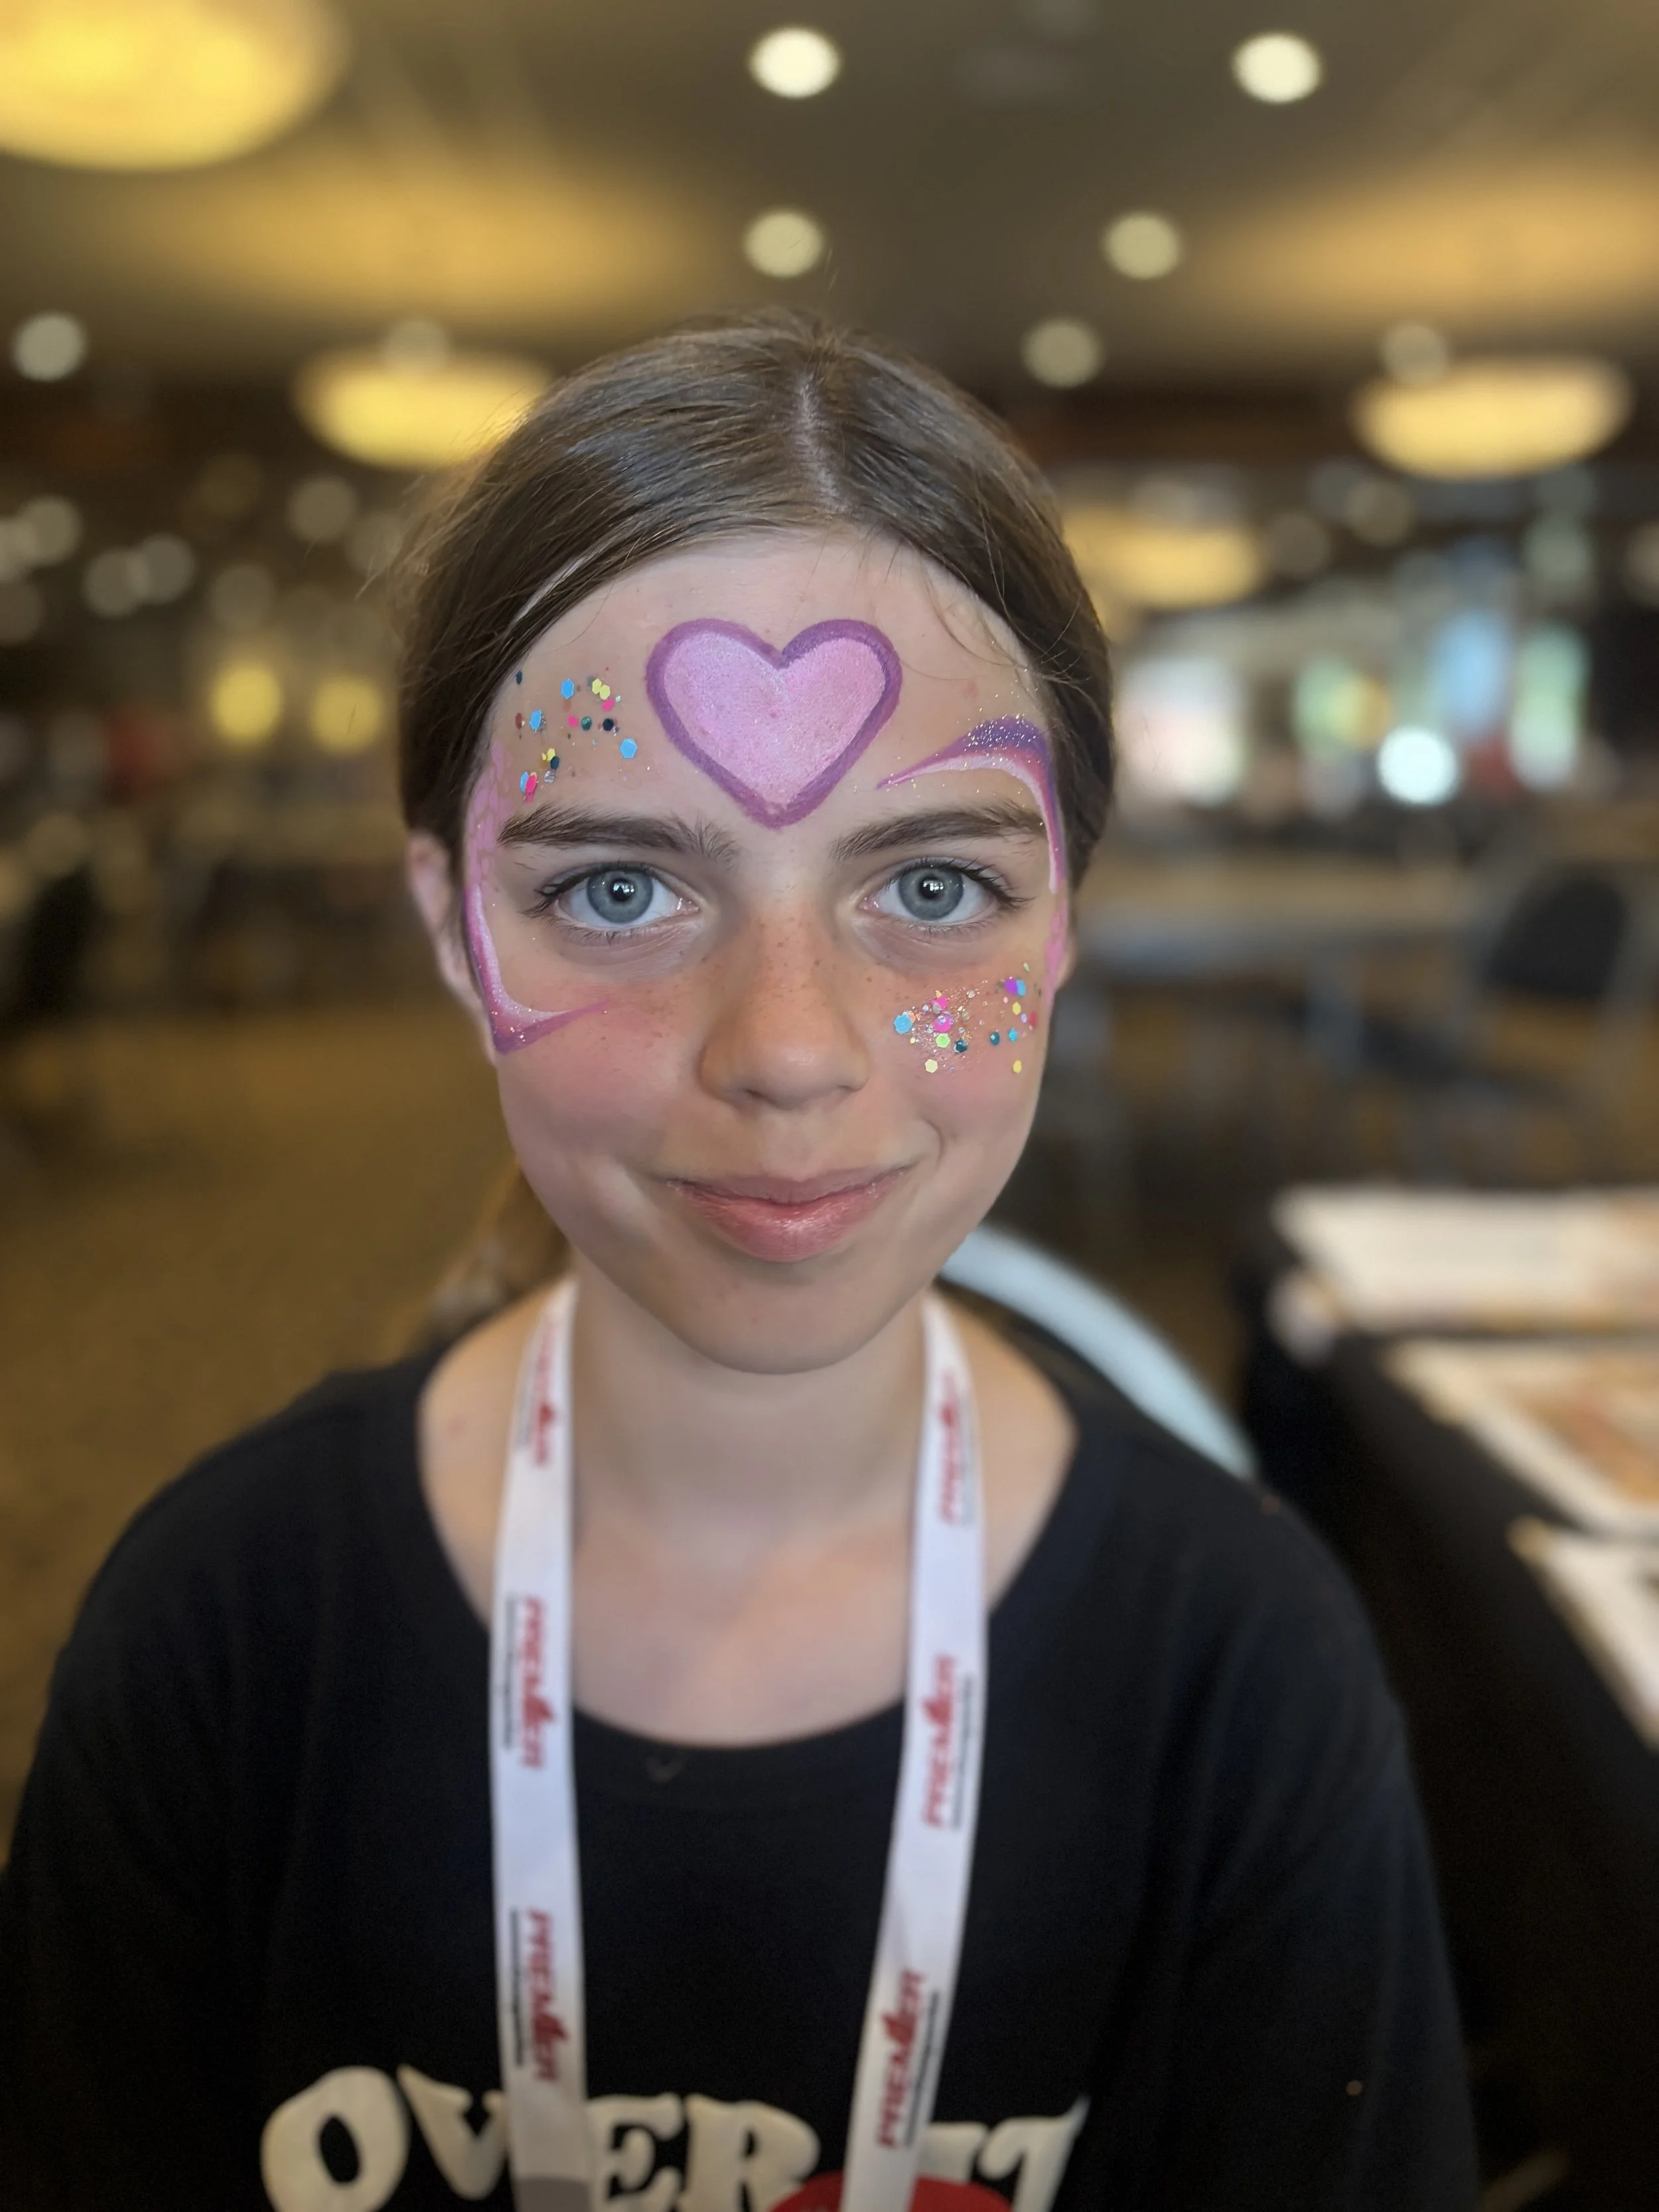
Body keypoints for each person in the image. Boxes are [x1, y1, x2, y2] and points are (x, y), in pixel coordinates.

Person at [0, 313, 1477, 2212]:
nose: (785, 1045)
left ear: (1063, 928)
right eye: (620, 888)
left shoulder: (1240, 1677)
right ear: (458, 927)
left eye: (932, 886)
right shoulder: (223, 1638)